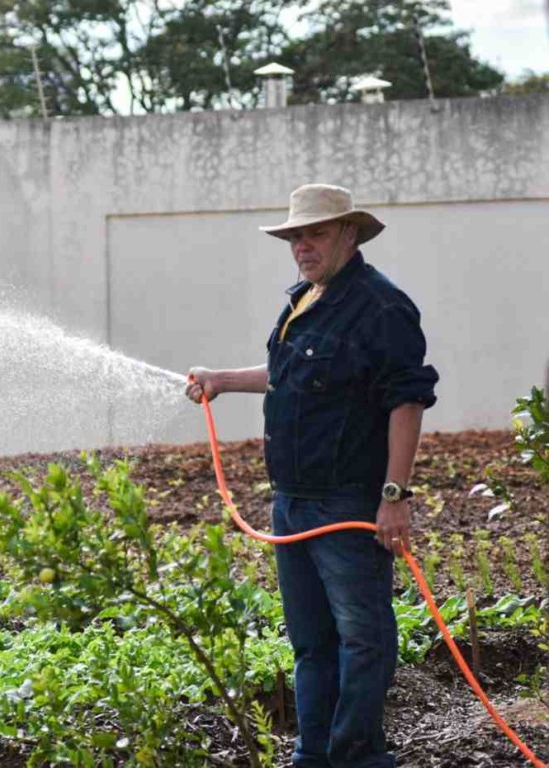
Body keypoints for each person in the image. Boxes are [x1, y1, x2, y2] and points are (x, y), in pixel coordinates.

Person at [186, 183, 438, 768]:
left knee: (362, 637)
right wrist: (221, 377)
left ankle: (357, 755)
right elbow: (286, 374)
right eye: (295, 236)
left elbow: (408, 401)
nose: (302, 245)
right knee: (311, 643)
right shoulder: (304, 300)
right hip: (292, 503)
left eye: (315, 233)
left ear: (350, 233)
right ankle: (312, 754)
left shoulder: (382, 308)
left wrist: (394, 496)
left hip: (347, 503)